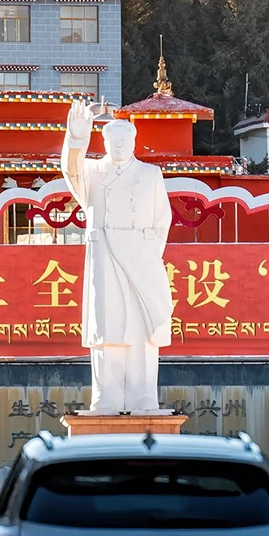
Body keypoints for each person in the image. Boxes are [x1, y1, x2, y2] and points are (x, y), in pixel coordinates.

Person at [60, 99, 173, 413]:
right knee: (108, 328)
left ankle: (143, 395)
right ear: (105, 142)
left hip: (140, 258)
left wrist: (146, 253)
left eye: (125, 140)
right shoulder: (94, 172)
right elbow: (71, 171)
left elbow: (162, 220)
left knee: (141, 327)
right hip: (106, 255)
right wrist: (77, 139)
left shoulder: (151, 174)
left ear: (135, 142)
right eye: (113, 141)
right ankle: (106, 395)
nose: (120, 146)